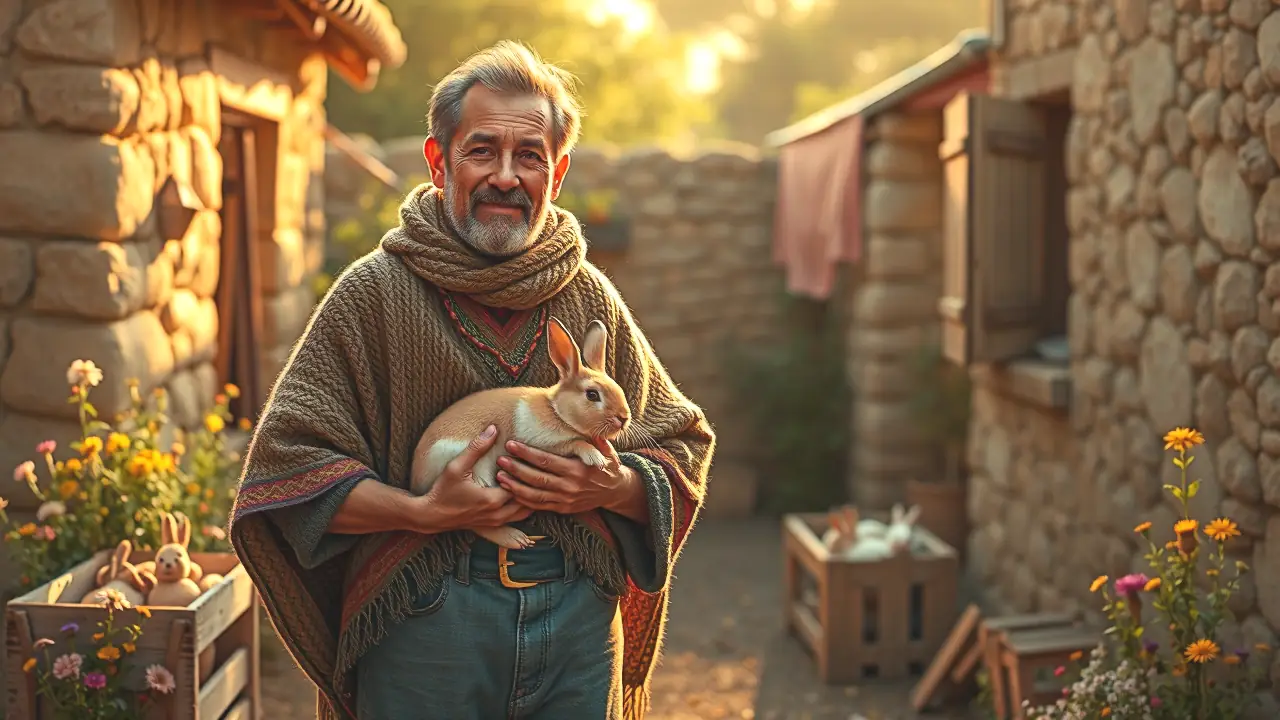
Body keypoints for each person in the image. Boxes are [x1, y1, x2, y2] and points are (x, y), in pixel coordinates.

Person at [228, 40, 714, 720]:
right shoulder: (372, 296)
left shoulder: (591, 298)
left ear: (558, 171)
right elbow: (287, 471)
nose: (507, 177)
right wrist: (423, 512)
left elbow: (682, 444)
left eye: (529, 156)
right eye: (482, 150)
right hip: (425, 624)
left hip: (577, 627)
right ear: (439, 160)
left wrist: (616, 484)